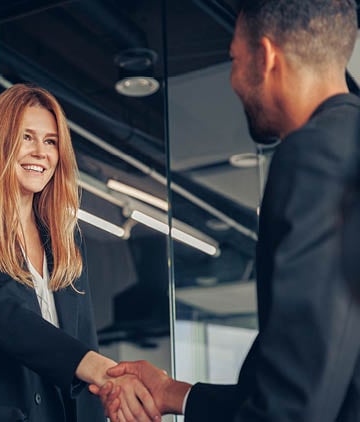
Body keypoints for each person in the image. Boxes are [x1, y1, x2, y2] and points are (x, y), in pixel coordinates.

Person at [92, 0, 360, 421]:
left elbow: (294, 402)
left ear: (267, 58)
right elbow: (321, 370)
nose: (233, 79)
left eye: (234, 59)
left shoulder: (313, 156)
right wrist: (168, 391)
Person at [0, 83, 160, 422]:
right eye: (26, 137)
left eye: (50, 141)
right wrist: (97, 368)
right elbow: (4, 315)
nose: (41, 152)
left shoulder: (65, 240)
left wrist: (104, 393)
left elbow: (84, 339)